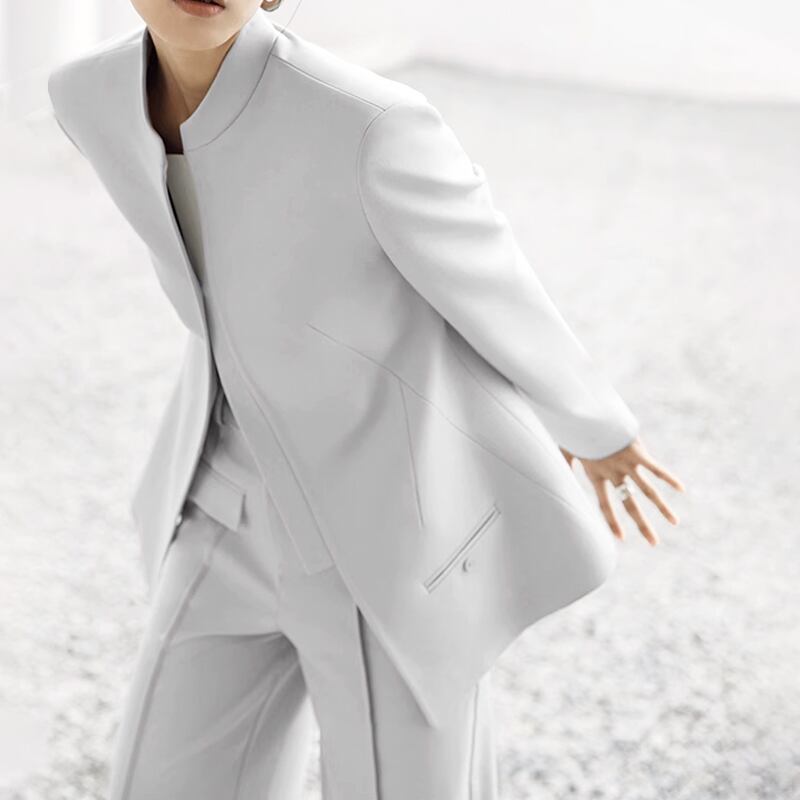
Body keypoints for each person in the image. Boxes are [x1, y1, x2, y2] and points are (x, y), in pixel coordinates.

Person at [47, 1, 685, 797]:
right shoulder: (89, 96)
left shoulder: (366, 122)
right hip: (221, 510)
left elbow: (491, 282)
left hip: (387, 538)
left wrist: (597, 428)